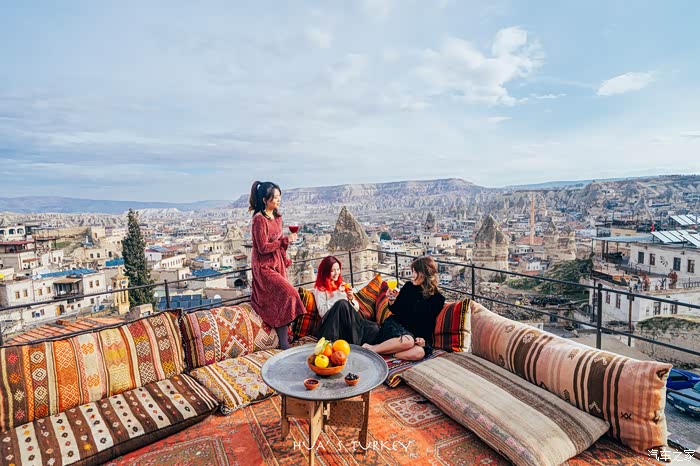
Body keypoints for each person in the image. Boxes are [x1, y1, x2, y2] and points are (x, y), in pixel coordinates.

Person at [249, 180, 305, 349]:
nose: (278, 200)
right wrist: (286, 240)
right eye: (275, 197)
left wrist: (285, 257)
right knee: (288, 294)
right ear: (265, 200)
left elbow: (279, 242)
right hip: (263, 266)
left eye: (279, 196)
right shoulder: (259, 220)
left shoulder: (277, 217)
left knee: (282, 299)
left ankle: (284, 341)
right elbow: (262, 248)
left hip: (277, 262)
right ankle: (285, 342)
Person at [363, 256, 445, 361]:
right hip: (395, 327)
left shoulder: (438, 299)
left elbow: (429, 322)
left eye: (415, 272)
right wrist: (391, 299)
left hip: (414, 335)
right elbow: (396, 310)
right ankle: (370, 350)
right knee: (408, 341)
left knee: (419, 353)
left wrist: (422, 338)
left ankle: (384, 351)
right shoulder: (408, 286)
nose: (412, 275)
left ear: (424, 273)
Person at [313, 256, 379, 345]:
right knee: (342, 304)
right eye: (332, 271)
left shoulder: (342, 285)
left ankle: (358, 342)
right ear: (325, 272)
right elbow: (323, 312)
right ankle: (356, 343)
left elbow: (355, 309)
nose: (336, 273)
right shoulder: (320, 289)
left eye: (338, 269)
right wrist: (338, 295)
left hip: (349, 324)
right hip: (332, 326)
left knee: (374, 328)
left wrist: (351, 298)